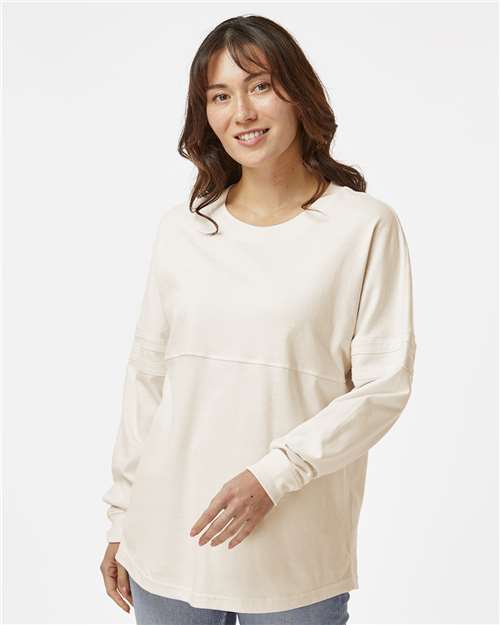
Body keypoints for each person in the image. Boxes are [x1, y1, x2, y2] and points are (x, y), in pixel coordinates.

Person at [100, 14, 416, 625]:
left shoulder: (363, 226)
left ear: (298, 93)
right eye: (220, 96)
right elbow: (148, 381)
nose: (241, 112)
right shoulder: (183, 230)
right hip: (165, 546)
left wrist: (275, 474)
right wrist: (122, 517)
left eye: (260, 86)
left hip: (293, 559)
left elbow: (383, 387)